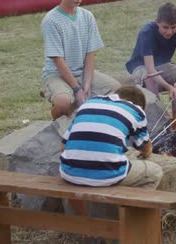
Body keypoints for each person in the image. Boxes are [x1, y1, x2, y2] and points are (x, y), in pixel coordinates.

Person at [60, 85, 163, 213]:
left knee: (80, 171)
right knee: (155, 172)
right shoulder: (136, 110)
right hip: (107, 174)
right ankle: (133, 220)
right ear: (140, 105)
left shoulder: (89, 103)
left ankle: (82, 222)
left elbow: (63, 147)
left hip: (69, 172)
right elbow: (145, 149)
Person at [41, 0, 121, 120]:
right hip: (56, 74)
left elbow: (90, 54)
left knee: (118, 91)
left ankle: (95, 123)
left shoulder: (87, 16)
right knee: (64, 102)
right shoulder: (51, 20)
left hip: (82, 72)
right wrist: (77, 89)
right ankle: (56, 121)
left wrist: (87, 84)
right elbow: (58, 60)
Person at [125, 2, 176, 100]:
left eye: (173, 27)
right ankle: (158, 112)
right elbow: (151, 70)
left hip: (163, 64)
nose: (169, 32)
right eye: (165, 27)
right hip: (140, 65)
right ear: (157, 22)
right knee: (150, 78)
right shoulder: (147, 32)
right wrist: (169, 87)